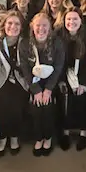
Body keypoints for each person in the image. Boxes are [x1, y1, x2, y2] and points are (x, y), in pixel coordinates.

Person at [0, 11, 31, 157]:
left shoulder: (26, 43)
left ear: (21, 27)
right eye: (9, 23)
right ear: (3, 25)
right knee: (1, 112)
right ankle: (2, 138)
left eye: (16, 24)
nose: (13, 26)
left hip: (20, 83)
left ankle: (14, 137)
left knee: (16, 111)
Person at [55, 8, 86, 151]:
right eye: (68, 19)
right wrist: (60, 80)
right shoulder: (58, 36)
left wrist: (84, 83)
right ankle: (65, 132)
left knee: (83, 99)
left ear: (81, 21)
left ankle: (85, 132)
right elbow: (56, 61)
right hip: (63, 75)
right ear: (64, 21)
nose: (71, 22)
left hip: (82, 75)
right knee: (63, 101)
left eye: (75, 19)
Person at [28, 13, 65, 157]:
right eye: (38, 25)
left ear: (49, 27)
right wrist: (36, 90)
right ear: (32, 26)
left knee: (48, 105)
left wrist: (48, 89)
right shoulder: (26, 43)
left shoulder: (57, 43)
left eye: (44, 25)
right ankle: (39, 137)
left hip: (52, 81)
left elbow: (58, 66)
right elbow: (25, 69)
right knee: (36, 106)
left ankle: (48, 137)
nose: (41, 28)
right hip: (34, 82)